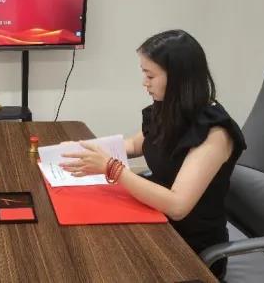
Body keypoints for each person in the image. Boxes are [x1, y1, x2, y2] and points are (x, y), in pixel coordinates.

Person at [59, 29, 246, 279]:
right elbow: (136, 144)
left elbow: (178, 206)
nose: (144, 82)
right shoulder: (169, 107)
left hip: (189, 248)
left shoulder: (215, 134)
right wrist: (82, 148)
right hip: (153, 216)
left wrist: (112, 168)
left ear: (178, 78)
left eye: (150, 75)